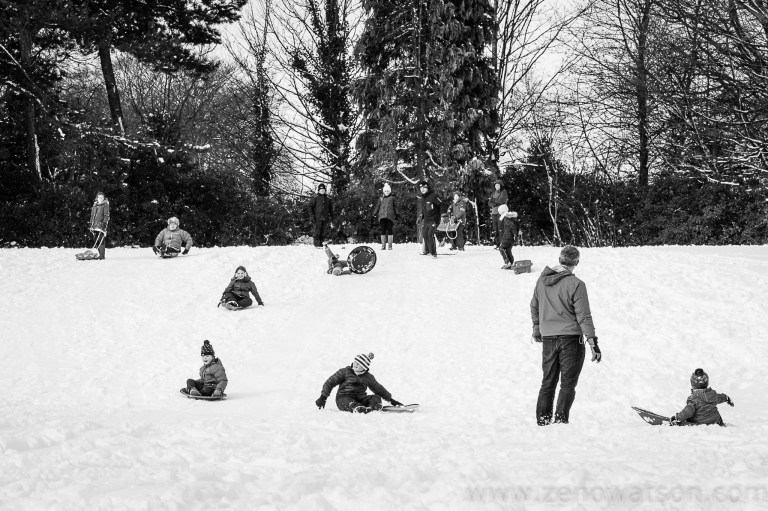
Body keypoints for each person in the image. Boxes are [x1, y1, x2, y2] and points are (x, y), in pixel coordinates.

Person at [531, 245, 601, 425]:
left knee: (548, 382)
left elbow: (534, 306)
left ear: (560, 259)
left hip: (548, 338)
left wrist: (537, 328)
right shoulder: (576, 284)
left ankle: (543, 421)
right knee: (567, 384)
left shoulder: (541, 281)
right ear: (576, 262)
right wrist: (593, 342)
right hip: (571, 339)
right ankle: (561, 421)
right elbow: (583, 316)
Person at [315, 353, 403, 413]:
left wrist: (391, 400)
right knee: (346, 401)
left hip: (360, 398)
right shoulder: (344, 372)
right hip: (343, 397)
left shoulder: (368, 377)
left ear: (364, 368)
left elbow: (379, 389)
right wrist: (323, 398)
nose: (355, 364)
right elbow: (330, 382)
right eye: (355, 362)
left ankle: (374, 406)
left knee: (376, 397)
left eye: (359, 364)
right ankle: (356, 407)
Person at [418, 180, 444, 258]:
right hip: (426, 220)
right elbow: (424, 210)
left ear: (427, 188)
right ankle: (427, 251)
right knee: (425, 235)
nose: (422, 189)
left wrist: (444, 215)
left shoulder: (433, 196)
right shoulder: (423, 198)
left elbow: (442, 204)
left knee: (430, 235)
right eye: (421, 188)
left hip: (434, 219)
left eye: (424, 188)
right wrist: (421, 217)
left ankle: (433, 253)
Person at [307, 183, 334, 248]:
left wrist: (332, 217)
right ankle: (317, 244)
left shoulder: (327, 199)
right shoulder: (315, 198)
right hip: (317, 217)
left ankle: (322, 243)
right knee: (317, 231)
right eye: (321, 189)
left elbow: (330, 209)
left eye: (323, 189)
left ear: (325, 190)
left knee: (324, 231)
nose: (322, 191)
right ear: (318, 190)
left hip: (325, 217)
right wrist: (312, 216)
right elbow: (310, 207)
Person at [372, 183, 398, 250]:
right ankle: (383, 245)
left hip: (390, 216)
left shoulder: (392, 198)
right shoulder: (381, 198)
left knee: (390, 230)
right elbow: (378, 206)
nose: (386, 192)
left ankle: (390, 245)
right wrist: (374, 213)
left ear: (390, 191)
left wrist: (397, 214)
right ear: (383, 191)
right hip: (382, 216)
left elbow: (395, 207)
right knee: (383, 230)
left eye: (388, 191)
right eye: (385, 191)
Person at [88, 191, 110, 260]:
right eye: (100, 197)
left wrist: (104, 224)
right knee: (95, 239)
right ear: (97, 198)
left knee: (100, 239)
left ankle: (102, 256)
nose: (101, 198)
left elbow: (106, 215)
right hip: (94, 225)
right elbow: (92, 215)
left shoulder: (105, 204)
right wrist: (91, 224)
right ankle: (99, 254)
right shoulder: (95, 205)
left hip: (101, 225)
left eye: (102, 197)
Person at [497, 205, 519, 269]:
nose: (499, 213)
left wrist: (515, 234)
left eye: (500, 212)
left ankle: (507, 262)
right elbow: (516, 225)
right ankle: (511, 263)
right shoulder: (512, 217)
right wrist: (515, 234)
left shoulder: (506, 217)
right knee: (508, 250)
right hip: (511, 236)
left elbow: (512, 225)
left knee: (501, 248)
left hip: (507, 235)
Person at [488, 179, 508, 247]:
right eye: (496, 185)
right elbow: (489, 202)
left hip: (501, 212)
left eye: (498, 185)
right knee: (495, 229)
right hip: (494, 212)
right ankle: (497, 244)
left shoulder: (504, 192)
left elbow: (501, 200)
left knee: (501, 228)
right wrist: (494, 203)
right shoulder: (493, 193)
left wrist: (494, 201)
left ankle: (503, 244)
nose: (497, 186)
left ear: (501, 185)